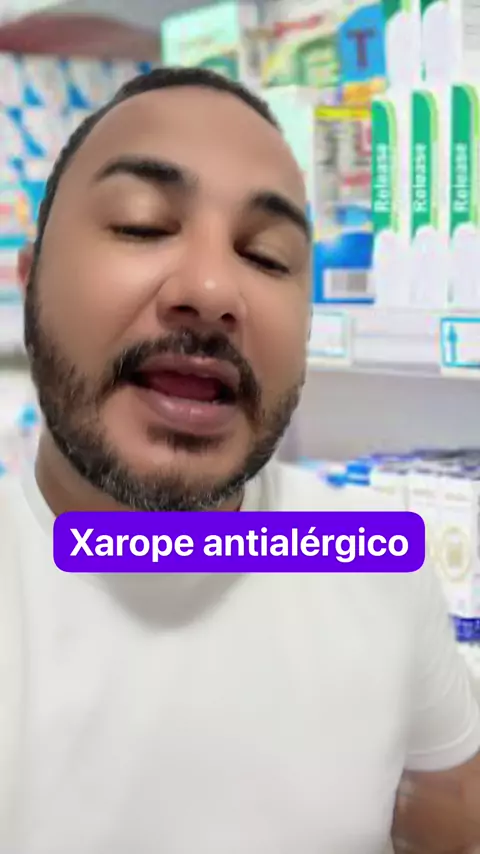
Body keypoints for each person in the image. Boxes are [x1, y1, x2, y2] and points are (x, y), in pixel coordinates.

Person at [0, 66, 479, 854]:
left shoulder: (369, 553)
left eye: (267, 256)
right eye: (142, 224)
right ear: (29, 287)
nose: (213, 287)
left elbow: (452, 818)